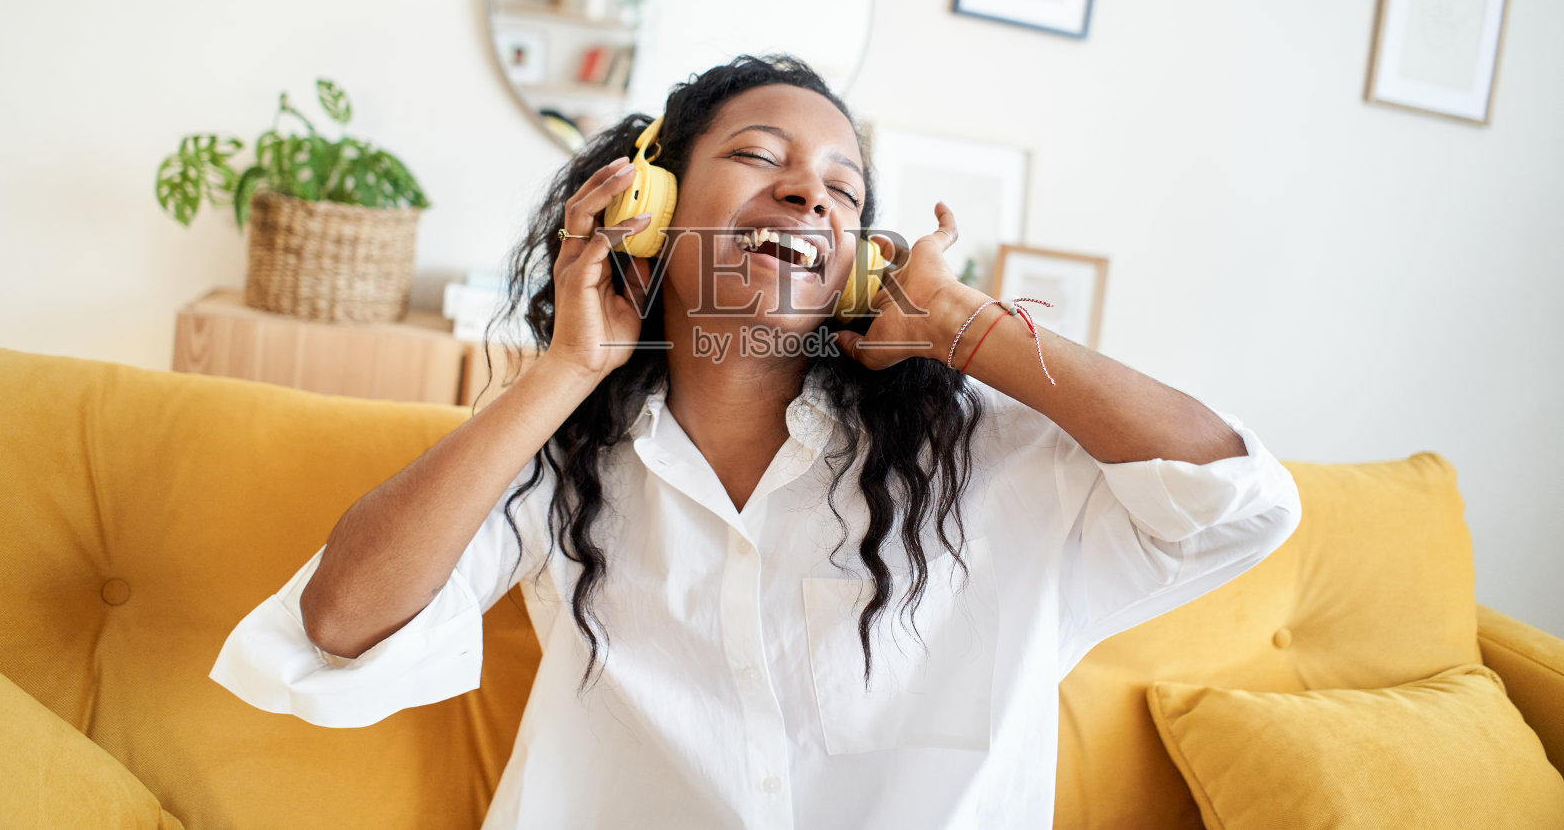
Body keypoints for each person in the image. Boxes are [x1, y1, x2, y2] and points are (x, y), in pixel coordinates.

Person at [211, 54, 1300, 829]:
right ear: (654, 207)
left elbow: (1239, 501)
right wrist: (570, 366)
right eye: (759, 155)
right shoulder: (560, 459)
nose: (805, 192)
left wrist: (966, 328)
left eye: (843, 187)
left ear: (861, 256)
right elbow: (340, 622)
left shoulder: (988, 457)